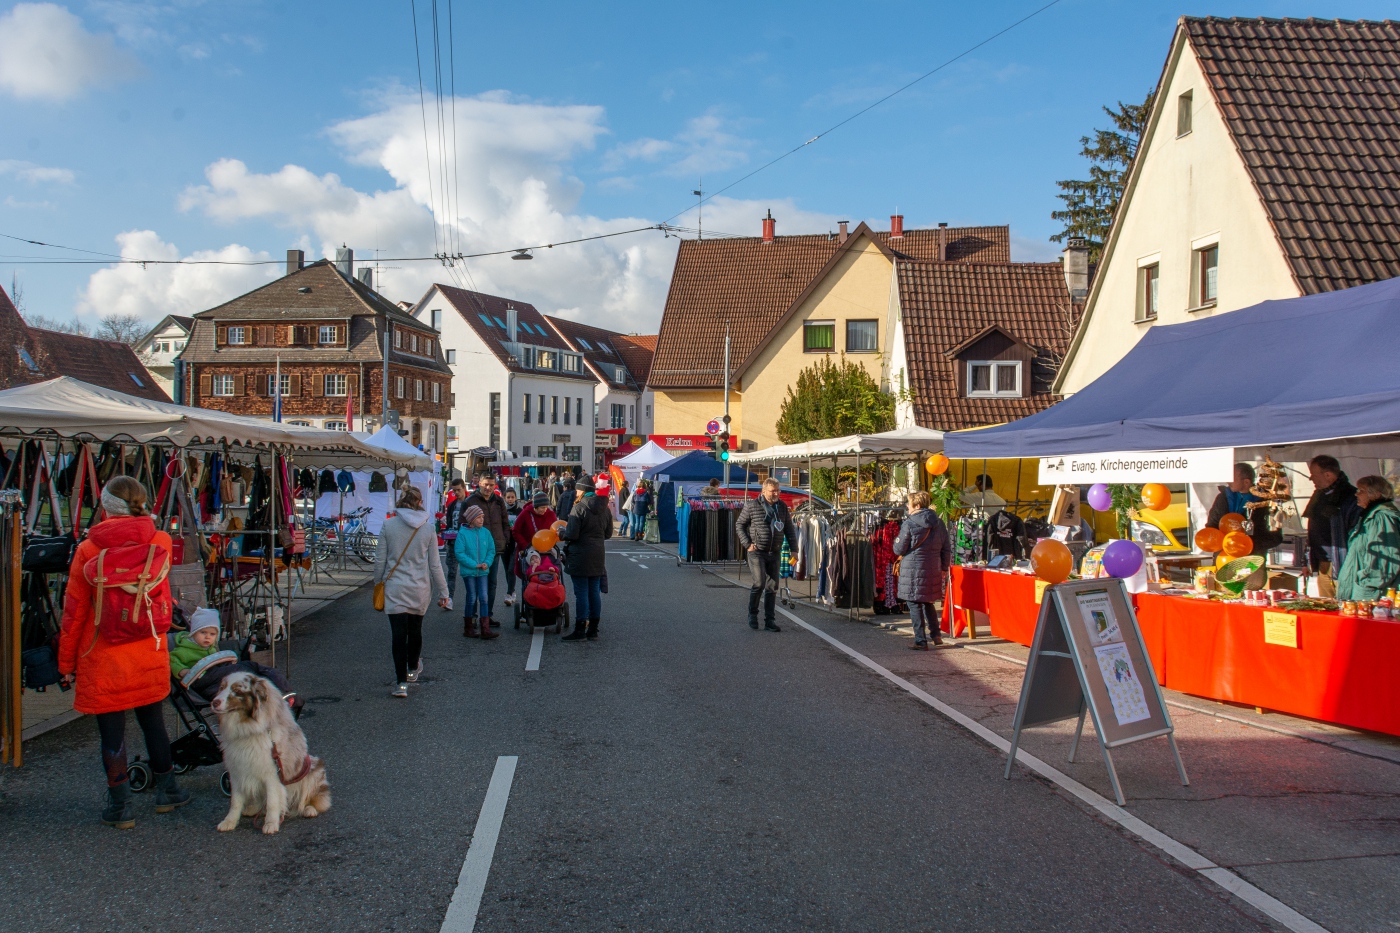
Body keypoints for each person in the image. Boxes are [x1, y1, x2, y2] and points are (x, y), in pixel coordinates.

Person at [57, 476, 188, 828]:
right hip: (146, 648)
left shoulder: (88, 550)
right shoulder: (159, 541)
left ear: (104, 506)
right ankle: (168, 791)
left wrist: (66, 663)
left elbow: (74, 613)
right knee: (153, 724)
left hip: (102, 653)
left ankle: (121, 806)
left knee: (111, 734)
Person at [373, 485, 449, 697]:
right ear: (419, 502)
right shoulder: (428, 528)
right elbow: (435, 564)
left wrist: (377, 582)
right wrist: (444, 592)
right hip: (419, 587)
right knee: (415, 630)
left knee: (398, 635)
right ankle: (413, 669)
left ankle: (400, 684)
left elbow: (380, 559)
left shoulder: (388, 525)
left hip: (395, 586)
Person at [169, 607, 292, 702]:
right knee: (245, 667)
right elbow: (173, 661)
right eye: (203, 632)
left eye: (212, 634)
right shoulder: (184, 649)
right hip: (200, 679)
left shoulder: (211, 648)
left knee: (255, 669)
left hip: (215, 681)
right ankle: (281, 691)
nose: (207, 637)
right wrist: (182, 671)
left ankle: (281, 692)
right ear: (194, 632)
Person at [735, 478, 798, 632]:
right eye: (772, 491)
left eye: (778, 490)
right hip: (757, 551)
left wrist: (794, 550)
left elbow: (789, 530)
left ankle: (770, 620)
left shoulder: (782, 507)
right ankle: (753, 614)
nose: (776, 493)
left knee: (772, 587)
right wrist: (748, 544)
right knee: (759, 583)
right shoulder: (752, 505)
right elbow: (740, 525)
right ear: (763, 491)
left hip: (774, 551)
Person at [894, 490, 954, 649]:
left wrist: (896, 542)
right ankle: (936, 635)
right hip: (933, 567)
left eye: (909, 503)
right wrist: (943, 567)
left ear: (917, 505)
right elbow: (946, 548)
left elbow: (899, 549)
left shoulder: (909, 523)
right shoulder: (939, 523)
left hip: (913, 569)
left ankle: (920, 640)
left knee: (914, 602)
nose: (907, 506)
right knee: (928, 601)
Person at [560, 476, 613, 641]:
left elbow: (572, 534)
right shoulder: (605, 508)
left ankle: (580, 628)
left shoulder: (579, 508)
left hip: (580, 555)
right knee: (594, 592)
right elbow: (608, 534)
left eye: (577, 490)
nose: (576, 493)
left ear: (582, 490)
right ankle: (594, 629)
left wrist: (561, 532)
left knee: (581, 592)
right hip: (598, 554)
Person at [1304, 455, 1362, 597]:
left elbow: (1356, 534)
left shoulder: (1351, 497)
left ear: (1328, 475)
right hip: (1323, 562)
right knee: (1327, 607)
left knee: (1344, 605)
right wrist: (1306, 560)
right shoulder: (1319, 495)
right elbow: (1312, 529)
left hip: (1343, 563)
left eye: (1313, 475)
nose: (1311, 479)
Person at [1335, 475, 1400, 600]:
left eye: (1361, 491)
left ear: (1376, 494)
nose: (1356, 494)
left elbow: (1383, 563)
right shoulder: (1369, 516)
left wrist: (1365, 587)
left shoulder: (1381, 518)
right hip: (1363, 595)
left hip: (1372, 597)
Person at [466, 474, 511, 637]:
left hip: (495, 548)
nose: (488, 488)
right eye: (485, 484)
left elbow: (506, 523)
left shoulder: (499, 501)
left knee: (491, 584)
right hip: (476, 550)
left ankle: (487, 615)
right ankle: (472, 617)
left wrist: (505, 539)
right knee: (475, 585)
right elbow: (462, 526)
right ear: (479, 484)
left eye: (491, 485)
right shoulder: (470, 501)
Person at [1207, 463, 1282, 556]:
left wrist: (1248, 544)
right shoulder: (1223, 497)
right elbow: (1212, 525)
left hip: (1252, 558)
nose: (1228, 482)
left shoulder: (1266, 501)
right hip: (1223, 556)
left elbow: (1275, 535)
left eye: (1232, 479)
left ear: (1246, 482)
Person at [453, 504, 498, 640]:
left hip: (483, 571)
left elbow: (491, 550)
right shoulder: (463, 534)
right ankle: (469, 628)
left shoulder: (486, 532)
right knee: (472, 597)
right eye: (478, 518)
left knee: (484, 597)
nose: (481, 520)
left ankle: (486, 629)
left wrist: (487, 563)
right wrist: (475, 565)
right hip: (470, 572)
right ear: (471, 520)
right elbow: (459, 553)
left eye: (482, 517)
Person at [440, 478, 469, 610]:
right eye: (454, 490)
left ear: (464, 489)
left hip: (467, 543)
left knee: (469, 572)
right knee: (451, 572)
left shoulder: (470, 503)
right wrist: (447, 533)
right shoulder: (451, 505)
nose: (456, 493)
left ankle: (471, 600)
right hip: (452, 542)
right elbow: (450, 522)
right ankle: (449, 598)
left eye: (459, 490)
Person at [513, 492, 559, 558]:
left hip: (547, 552)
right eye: (542, 507)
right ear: (536, 507)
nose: (545, 510)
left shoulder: (551, 515)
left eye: (546, 507)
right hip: (529, 551)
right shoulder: (525, 513)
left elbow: (555, 531)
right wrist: (526, 545)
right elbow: (516, 531)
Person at [502, 487, 523, 607]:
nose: (510, 499)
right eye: (508, 497)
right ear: (504, 498)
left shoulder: (520, 511)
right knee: (506, 570)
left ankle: (509, 593)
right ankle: (512, 590)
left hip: (516, 543)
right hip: (505, 543)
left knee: (511, 569)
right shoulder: (502, 511)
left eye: (512, 497)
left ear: (516, 498)